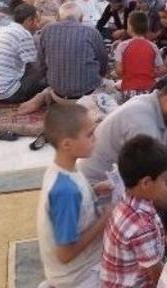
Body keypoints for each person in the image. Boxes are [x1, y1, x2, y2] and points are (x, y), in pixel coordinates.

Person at [37, 104, 111, 288]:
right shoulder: (66, 191)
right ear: (67, 144)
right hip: (79, 277)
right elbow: (65, 254)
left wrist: (94, 190)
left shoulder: (62, 170)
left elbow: (76, 206)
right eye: (89, 134)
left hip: (77, 270)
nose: (95, 138)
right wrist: (105, 220)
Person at [101, 135, 167, 288]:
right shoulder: (140, 226)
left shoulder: (128, 201)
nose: (165, 185)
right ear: (146, 183)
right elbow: (157, 276)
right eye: (164, 179)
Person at [19, 2, 108, 114]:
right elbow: (103, 64)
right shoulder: (92, 32)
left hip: (58, 95)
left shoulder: (46, 30)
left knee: (50, 83)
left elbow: (41, 66)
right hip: (88, 95)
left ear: (58, 18)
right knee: (111, 87)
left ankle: (45, 96)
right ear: (81, 18)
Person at [0, 3, 46, 103]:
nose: (38, 26)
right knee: (47, 78)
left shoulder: (2, 29)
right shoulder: (24, 34)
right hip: (7, 93)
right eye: (37, 21)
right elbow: (36, 66)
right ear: (29, 20)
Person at [116, 11, 164, 101]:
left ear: (130, 27)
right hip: (149, 90)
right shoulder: (153, 46)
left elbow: (119, 70)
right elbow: (161, 70)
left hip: (129, 90)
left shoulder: (122, 46)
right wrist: (149, 73)